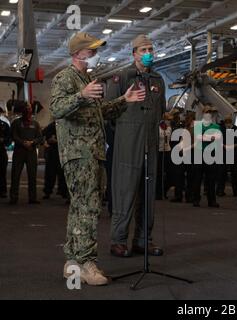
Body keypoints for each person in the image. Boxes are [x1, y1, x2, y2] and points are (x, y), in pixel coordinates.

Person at [50, 32, 146, 285]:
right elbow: (57, 109)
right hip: (79, 153)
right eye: (90, 49)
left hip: (90, 152)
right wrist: (81, 95)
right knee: (89, 207)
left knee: (80, 207)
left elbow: (99, 112)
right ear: (77, 52)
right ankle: (87, 263)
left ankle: (73, 261)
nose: (94, 53)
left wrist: (123, 101)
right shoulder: (66, 78)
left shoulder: (87, 78)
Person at [106, 35, 165, 258]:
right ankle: (118, 240)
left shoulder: (158, 79)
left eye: (150, 48)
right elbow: (109, 111)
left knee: (148, 193)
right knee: (125, 190)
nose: (148, 52)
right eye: (143, 49)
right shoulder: (122, 77)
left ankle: (143, 240)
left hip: (150, 140)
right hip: (128, 141)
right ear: (134, 53)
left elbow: (161, 110)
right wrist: (125, 133)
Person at [9, 104, 43, 205]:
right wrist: (23, 142)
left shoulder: (35, 124)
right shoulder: (16, 123)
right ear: (22, 111)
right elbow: (13, 135)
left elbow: (40, 137)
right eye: (26, 110)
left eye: (29, 110)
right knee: (15, 175)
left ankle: (32, 198)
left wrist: (32, 142)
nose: (28, 112)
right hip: (19, 152)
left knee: (32, 175)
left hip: (31, 152)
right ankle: (13, 197)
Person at [192, 105, 221, 208]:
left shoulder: (216, 126)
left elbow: (218, 138)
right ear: (203, 113)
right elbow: (199, 138)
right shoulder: (198, 125)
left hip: (210, 154)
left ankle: (212, 201)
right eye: (206, 112)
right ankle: (196, 200)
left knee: (211, 180)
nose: (208, 113)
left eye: (210, 112)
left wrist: (206, 136)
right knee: (197, 179)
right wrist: (211, 137)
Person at [42, 121, 68, 200]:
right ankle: (48, 191)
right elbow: (41, 134)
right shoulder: (52, 126)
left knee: (62, 173)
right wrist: (46, 142)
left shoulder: (65, 124)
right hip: (53, 151)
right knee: (50, 173)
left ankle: (63, 191)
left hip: (62, 151)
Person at [216, 114, 237, 198]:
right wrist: (224, 146)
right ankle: (220, 190)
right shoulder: (221, 129)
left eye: (229, 121)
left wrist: (232, 146)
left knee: (234, 174)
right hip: (223, 153)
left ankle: (236, 191)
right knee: (221, 173)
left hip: (233, 153)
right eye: (226, 122)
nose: (228, 123)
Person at [156, 113, 173, 200]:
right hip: (159, 151)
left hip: (167, 151)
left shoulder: (169, 128)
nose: (169, 121)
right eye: (168, 119)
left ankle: (164, 190)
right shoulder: (158, 128)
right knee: (159, 173)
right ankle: (158, 192)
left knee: (168, 172)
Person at [0, 107, 11, 198]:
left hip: (1, 150)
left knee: (2, 171)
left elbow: (9, 138)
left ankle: (3, 191)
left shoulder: (4, 125)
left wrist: (4, 140)